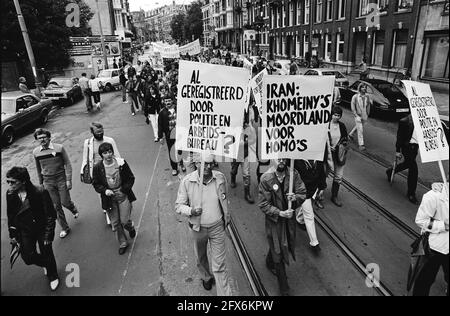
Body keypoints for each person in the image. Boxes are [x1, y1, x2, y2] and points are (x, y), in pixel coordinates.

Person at [175, 153, 233, 295]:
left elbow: (224, 197)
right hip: (198, 228)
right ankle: (205, 276)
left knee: (220, 265)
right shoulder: (187, 182)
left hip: (217, 227)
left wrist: (226, 213)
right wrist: (192, 211)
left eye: (210, 163)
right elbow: (178, 206)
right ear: (197, 164)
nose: (207, 167)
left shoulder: (220, 177)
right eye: (204, 163)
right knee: (201, 256)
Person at [6, 166, 60, 291]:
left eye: (13, 182)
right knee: (28, 257)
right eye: (8, 181)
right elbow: (11, 215)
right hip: (24, 230)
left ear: (23, 181)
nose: (10, 185)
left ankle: (53, 275)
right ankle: (46, 264)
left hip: (41, 228)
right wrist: (12, 234)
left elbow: (50, 214)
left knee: (47, 251)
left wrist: (48, 234)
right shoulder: (9, 194)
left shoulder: (40, 192)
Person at [258, 158, 307, 296]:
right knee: (278, 250)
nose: (281, 161)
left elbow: (302, 193)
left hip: (289, 220)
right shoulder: (266, 178)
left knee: (280, 243)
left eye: (283, 158)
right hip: (275, 222)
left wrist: (295, 198)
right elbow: (263, 204)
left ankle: (269, 260)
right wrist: (279, 213)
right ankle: (284, 288)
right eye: (278, 158)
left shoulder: (293, 174)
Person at [32, 129, 79, 238]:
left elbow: (67, 164)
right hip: (48, 181)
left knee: (65, 202)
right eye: (39, 138)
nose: (42, 140)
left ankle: (72, 207)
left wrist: (68, 180)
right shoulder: (36, 152)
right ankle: (65, 228)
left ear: (49, 137)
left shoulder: (59, 148)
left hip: (61, 178)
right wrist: (41, 183)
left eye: (44, 137)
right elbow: (38, 168)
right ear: (37, 140)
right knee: (56, 206)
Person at [92, 142, 137, 255]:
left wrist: (124, 189)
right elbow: (96, 183)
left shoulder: (121, 163)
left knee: (124, 221)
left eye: (110, 152)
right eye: (105, 153)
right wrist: (104, 190)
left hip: (122, 195)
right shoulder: (98, 167)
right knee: (116, 223)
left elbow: (131, 178)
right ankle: (123, 243)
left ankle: (130, 227)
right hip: (109, 199)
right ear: (101, 155)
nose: (108, 154)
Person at [81, 122, 121, 226]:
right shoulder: (88, 143)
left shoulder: (110, 140)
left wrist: (120, 167)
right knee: (102, 193)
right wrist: (83, 172)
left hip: (111, 169)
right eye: (97, 132)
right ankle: (109, 213)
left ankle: (118, 207)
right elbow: (85, 158)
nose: (100, 133)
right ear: (92, 132)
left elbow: (117, 155)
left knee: (113, 189)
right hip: (97, 171)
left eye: (101, 131)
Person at [412, 182, 449, 296]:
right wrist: (444, 225)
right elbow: (421, 221)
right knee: (423, 282)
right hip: (433, 248)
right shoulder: (433, 196)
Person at [386, 114, 419, 204]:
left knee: (408, 164)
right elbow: (400, 137)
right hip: (407, 147)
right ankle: (411, 193)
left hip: (415, 147)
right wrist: (398, 150)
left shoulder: (423, 120)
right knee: (414, 169)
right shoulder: (405, 121)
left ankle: (390, 171)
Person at [230, 110, 256, 204]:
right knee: (234, 169)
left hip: (245, 154)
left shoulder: (248, 128)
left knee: (246, 174)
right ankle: (232, 177)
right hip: (234, 154)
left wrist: (245, 143)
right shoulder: (232, 127)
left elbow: (253, 139)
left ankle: (247, 194)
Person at [327, 106, 348, 207]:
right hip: (327, 155)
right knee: (323, 174)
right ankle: (318, 195)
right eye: (335, 115)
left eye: (338, 115)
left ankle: (334, 196)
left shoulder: (342, 126)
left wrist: (339, 145)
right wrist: (329, 147)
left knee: (338, 176)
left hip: (339, 155)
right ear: (331, 115)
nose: (336, 117)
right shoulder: (326, 125)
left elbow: (345, 139)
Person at [158, 96, 185, 175]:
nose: (167, 103)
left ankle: (181, 164)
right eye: (166, 101)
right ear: (164, 102)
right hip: (169, 135)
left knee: (180, 150)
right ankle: (174, 168)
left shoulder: (178, 109)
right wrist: (160, 137)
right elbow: (160, 125)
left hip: (179, 134)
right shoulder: (162, 112)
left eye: (169, 101)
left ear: (172, 101)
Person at [348, 83, 371, 151]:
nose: (364, 88)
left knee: (358, 127)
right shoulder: (355, 96)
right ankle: (361, 145)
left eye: (365, 87)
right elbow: (352, 105)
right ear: (360, 88)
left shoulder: (367, 96)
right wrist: (355, 114)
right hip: (358, 115)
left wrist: (368, 113)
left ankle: (350, 135)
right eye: (363, 87)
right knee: (360, 129)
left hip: (364, 115)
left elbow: (368, 105)